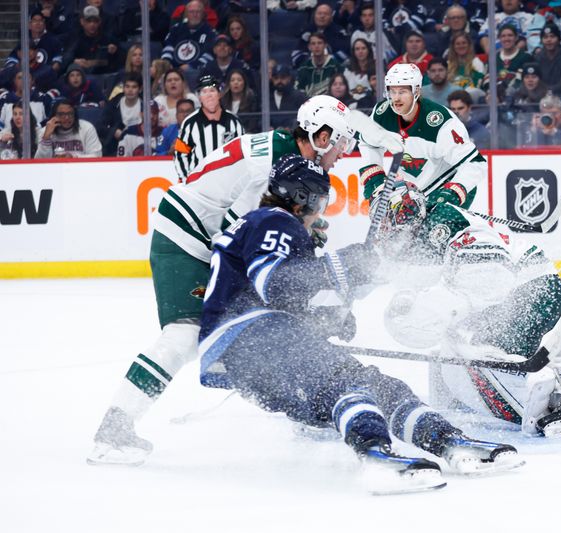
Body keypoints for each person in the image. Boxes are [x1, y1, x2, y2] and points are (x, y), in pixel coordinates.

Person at [87, 95, 404, 466]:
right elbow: (239, 235)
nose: (343, 154)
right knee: (185, 334)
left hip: (203, 234)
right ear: (321, 136)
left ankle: (309, 406)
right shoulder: (269, 165)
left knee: (271, 317)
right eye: (341, 144)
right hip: (185, 241)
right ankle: (114, 428)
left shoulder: (287, 156)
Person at [197, 154, 523, 489]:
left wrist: (324, 319)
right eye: (321, 200)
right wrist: (344, 264)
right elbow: (273, 281)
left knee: (373, 385)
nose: (320, 212)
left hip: (249, 353)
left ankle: (445, 439)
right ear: (303, 196)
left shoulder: (262, 224)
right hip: (252, 335)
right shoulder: (275, 220)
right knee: (347, 381)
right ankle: (375, 453)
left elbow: (277, 296)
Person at [368, 181, 561, 437]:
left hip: (534, 294)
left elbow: (491, 279)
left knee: (488, 352)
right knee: (477, 345)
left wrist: (454, 311)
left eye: (385, 218)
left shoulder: (441, 224)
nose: (383, 228)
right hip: (537, 290)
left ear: (405, 211)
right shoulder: (438, 224)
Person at [359, 63, 488, 213]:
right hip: (412, 194)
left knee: (435, 233)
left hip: (445, 187)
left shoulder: (440, 122)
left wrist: (452, 191)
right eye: (392, 91)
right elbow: (368, 142)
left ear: (417, 91)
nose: (396, 98)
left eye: (402, 91)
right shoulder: (382, 114)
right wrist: (374, 173)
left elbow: (475, 163)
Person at [174, 74, 245, 180]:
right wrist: (187, 181)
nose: (209, 95)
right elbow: (180, 154)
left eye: (212, 90)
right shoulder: (190, 123)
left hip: (227, 183)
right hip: (199, 185)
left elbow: (243, 153)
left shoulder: (234, 122)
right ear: (199, 97)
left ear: (219, 94)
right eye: (204, 91)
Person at [62, 5, 124, 75]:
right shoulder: (75, 39)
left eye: (95, 21)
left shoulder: (109, 39)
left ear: (99, 22)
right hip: (82, 77)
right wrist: (74, 61)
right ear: (82, 22)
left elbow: (121, 60)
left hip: (105, 76)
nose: (92, 24)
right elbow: (65, 58)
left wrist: (115, 52)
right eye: (89, 21)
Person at [160, 0, 217, 72]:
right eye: (191, 12)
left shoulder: (210, 32)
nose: (195, 14)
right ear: (186, 14)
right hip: (173, 69)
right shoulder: (176, 29)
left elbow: (210, 54)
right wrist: (167, 61)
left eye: (198, 12)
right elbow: (168, 45)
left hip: (197, 71)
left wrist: (192, 66)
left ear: (203, 14)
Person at [35, 100, 102, 158]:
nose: (66, 117)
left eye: (70, 113)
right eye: (61, 114)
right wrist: (46, 138)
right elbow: (39, 163)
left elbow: (97, 156)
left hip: (81, 169)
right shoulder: (45, 131)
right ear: (54, 116)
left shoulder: (87, 128)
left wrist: (73, 158)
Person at [532, 22, 561, 96]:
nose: (549, 40)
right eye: (545, 37)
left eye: (552, 36)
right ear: (541, 40)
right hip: (540, 95)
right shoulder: (538, 57)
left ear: (559, 39)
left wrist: (547, 91)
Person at [295, 33, 342, 98]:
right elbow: (298, 91)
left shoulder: (335, 66)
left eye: (319, 43)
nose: (316, 46)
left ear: (325, 45)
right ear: (309, 47)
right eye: (313, 44)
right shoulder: (304, 67)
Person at [269, 64, 308, 130]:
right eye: (276, 78)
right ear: (272, 79)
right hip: (270, 137)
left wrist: (292, 127)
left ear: (289, 78)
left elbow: (306, 117)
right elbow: (259, 120)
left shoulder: (299, 96)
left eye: (283, 78)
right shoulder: (266, 98)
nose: (279, 81)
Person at [343, 38, 375, 105]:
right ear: (353, 52)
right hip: (351, 104)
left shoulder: (376, 68)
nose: (360, 51)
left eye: (363, 48)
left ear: (368, 50)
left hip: (371, 103)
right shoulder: (348, 71)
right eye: (357, 49)